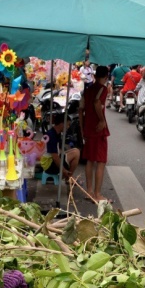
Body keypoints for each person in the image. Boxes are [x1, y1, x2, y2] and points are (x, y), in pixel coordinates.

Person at [79, 66, 111, 202]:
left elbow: (80, 110)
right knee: (101, 161)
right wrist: (102, 120)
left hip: (88, 128)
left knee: (90, 161)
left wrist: (82, 128)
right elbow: (97, 103)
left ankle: (89, 191)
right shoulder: (102, 89)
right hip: (98, 130)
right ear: (105, 77)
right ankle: (97, 194)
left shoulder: (87, 90)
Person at [40, 113, 80, 179]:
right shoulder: (51, 136)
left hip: (50, 161)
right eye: (68, 124)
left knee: (75, 150)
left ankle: (69, 177)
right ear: (62, 124)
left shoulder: (55, 133)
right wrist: (64, 170)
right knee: (76, 153)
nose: (68, 127)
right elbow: (55, 157)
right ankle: (69, 178)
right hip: (49, 166)